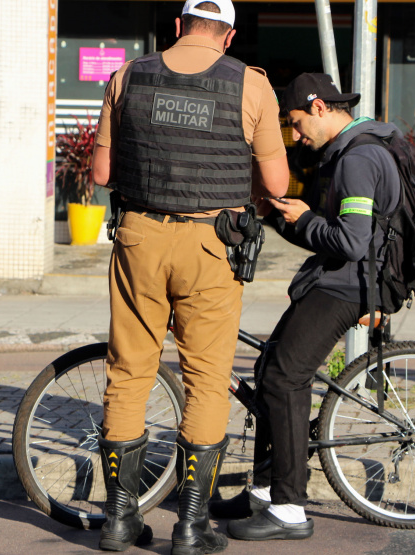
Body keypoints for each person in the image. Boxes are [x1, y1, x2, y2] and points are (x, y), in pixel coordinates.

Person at [90, 0, 289, 552]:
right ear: (227, 37)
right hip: (211, 245)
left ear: (176, 27)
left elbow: (103, 172)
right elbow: (276, 183)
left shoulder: (128, 75)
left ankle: (120, 521)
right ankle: (191, 525)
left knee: (129, 372)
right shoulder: (251, 85)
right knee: (206, 379)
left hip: (139, 237)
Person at [216, 73, 402, 541]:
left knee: (285, 378)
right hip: (332, 277)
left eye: (297, 124)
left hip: (348, 287)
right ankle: (262, 490)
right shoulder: (343, 153)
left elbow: (352, 242)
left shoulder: (358, 159)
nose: (296, 136)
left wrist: (307, 218)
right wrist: (278, 215)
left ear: (320, 109)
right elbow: (325, 235)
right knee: (269, 370)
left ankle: (290, 510)